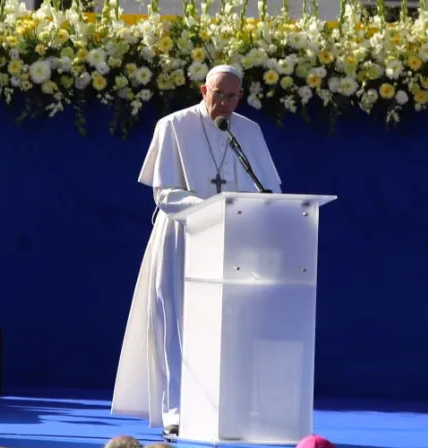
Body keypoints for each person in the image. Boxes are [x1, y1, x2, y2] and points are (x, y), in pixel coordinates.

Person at [110, 65, 282, 439]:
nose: (223, 103)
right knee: (176, 323)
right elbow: (165, 193)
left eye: (232, 96)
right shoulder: (172, 126)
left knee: (230, 326)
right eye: (217, 94)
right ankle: (176, 410)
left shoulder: (248, 132)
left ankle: (227, 410)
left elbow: (269, 189)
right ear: (204, 89)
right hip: (181, 237)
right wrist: (210, 210)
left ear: (241, 97)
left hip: (233, 243)